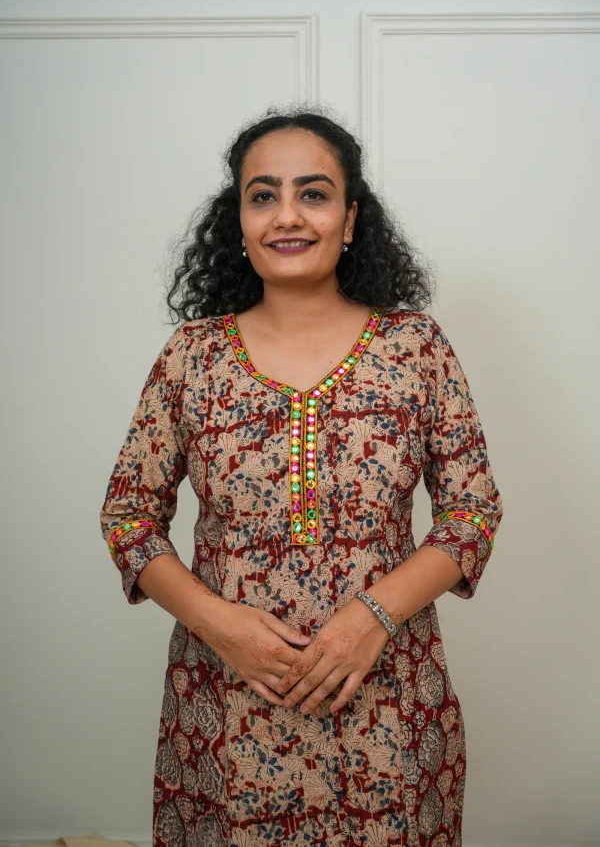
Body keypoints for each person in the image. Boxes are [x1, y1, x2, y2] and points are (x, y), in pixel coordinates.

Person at [99, 104, 503, 847]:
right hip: (226, 706)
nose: (287, 215)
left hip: (389, 705)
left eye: (313, 193)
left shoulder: (415, 348)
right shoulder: (192, 357)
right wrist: (219, 626)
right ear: (239, 221)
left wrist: (371, 619)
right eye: (263, 195)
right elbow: (128, 516)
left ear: (350, 220)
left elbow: (472, 512)